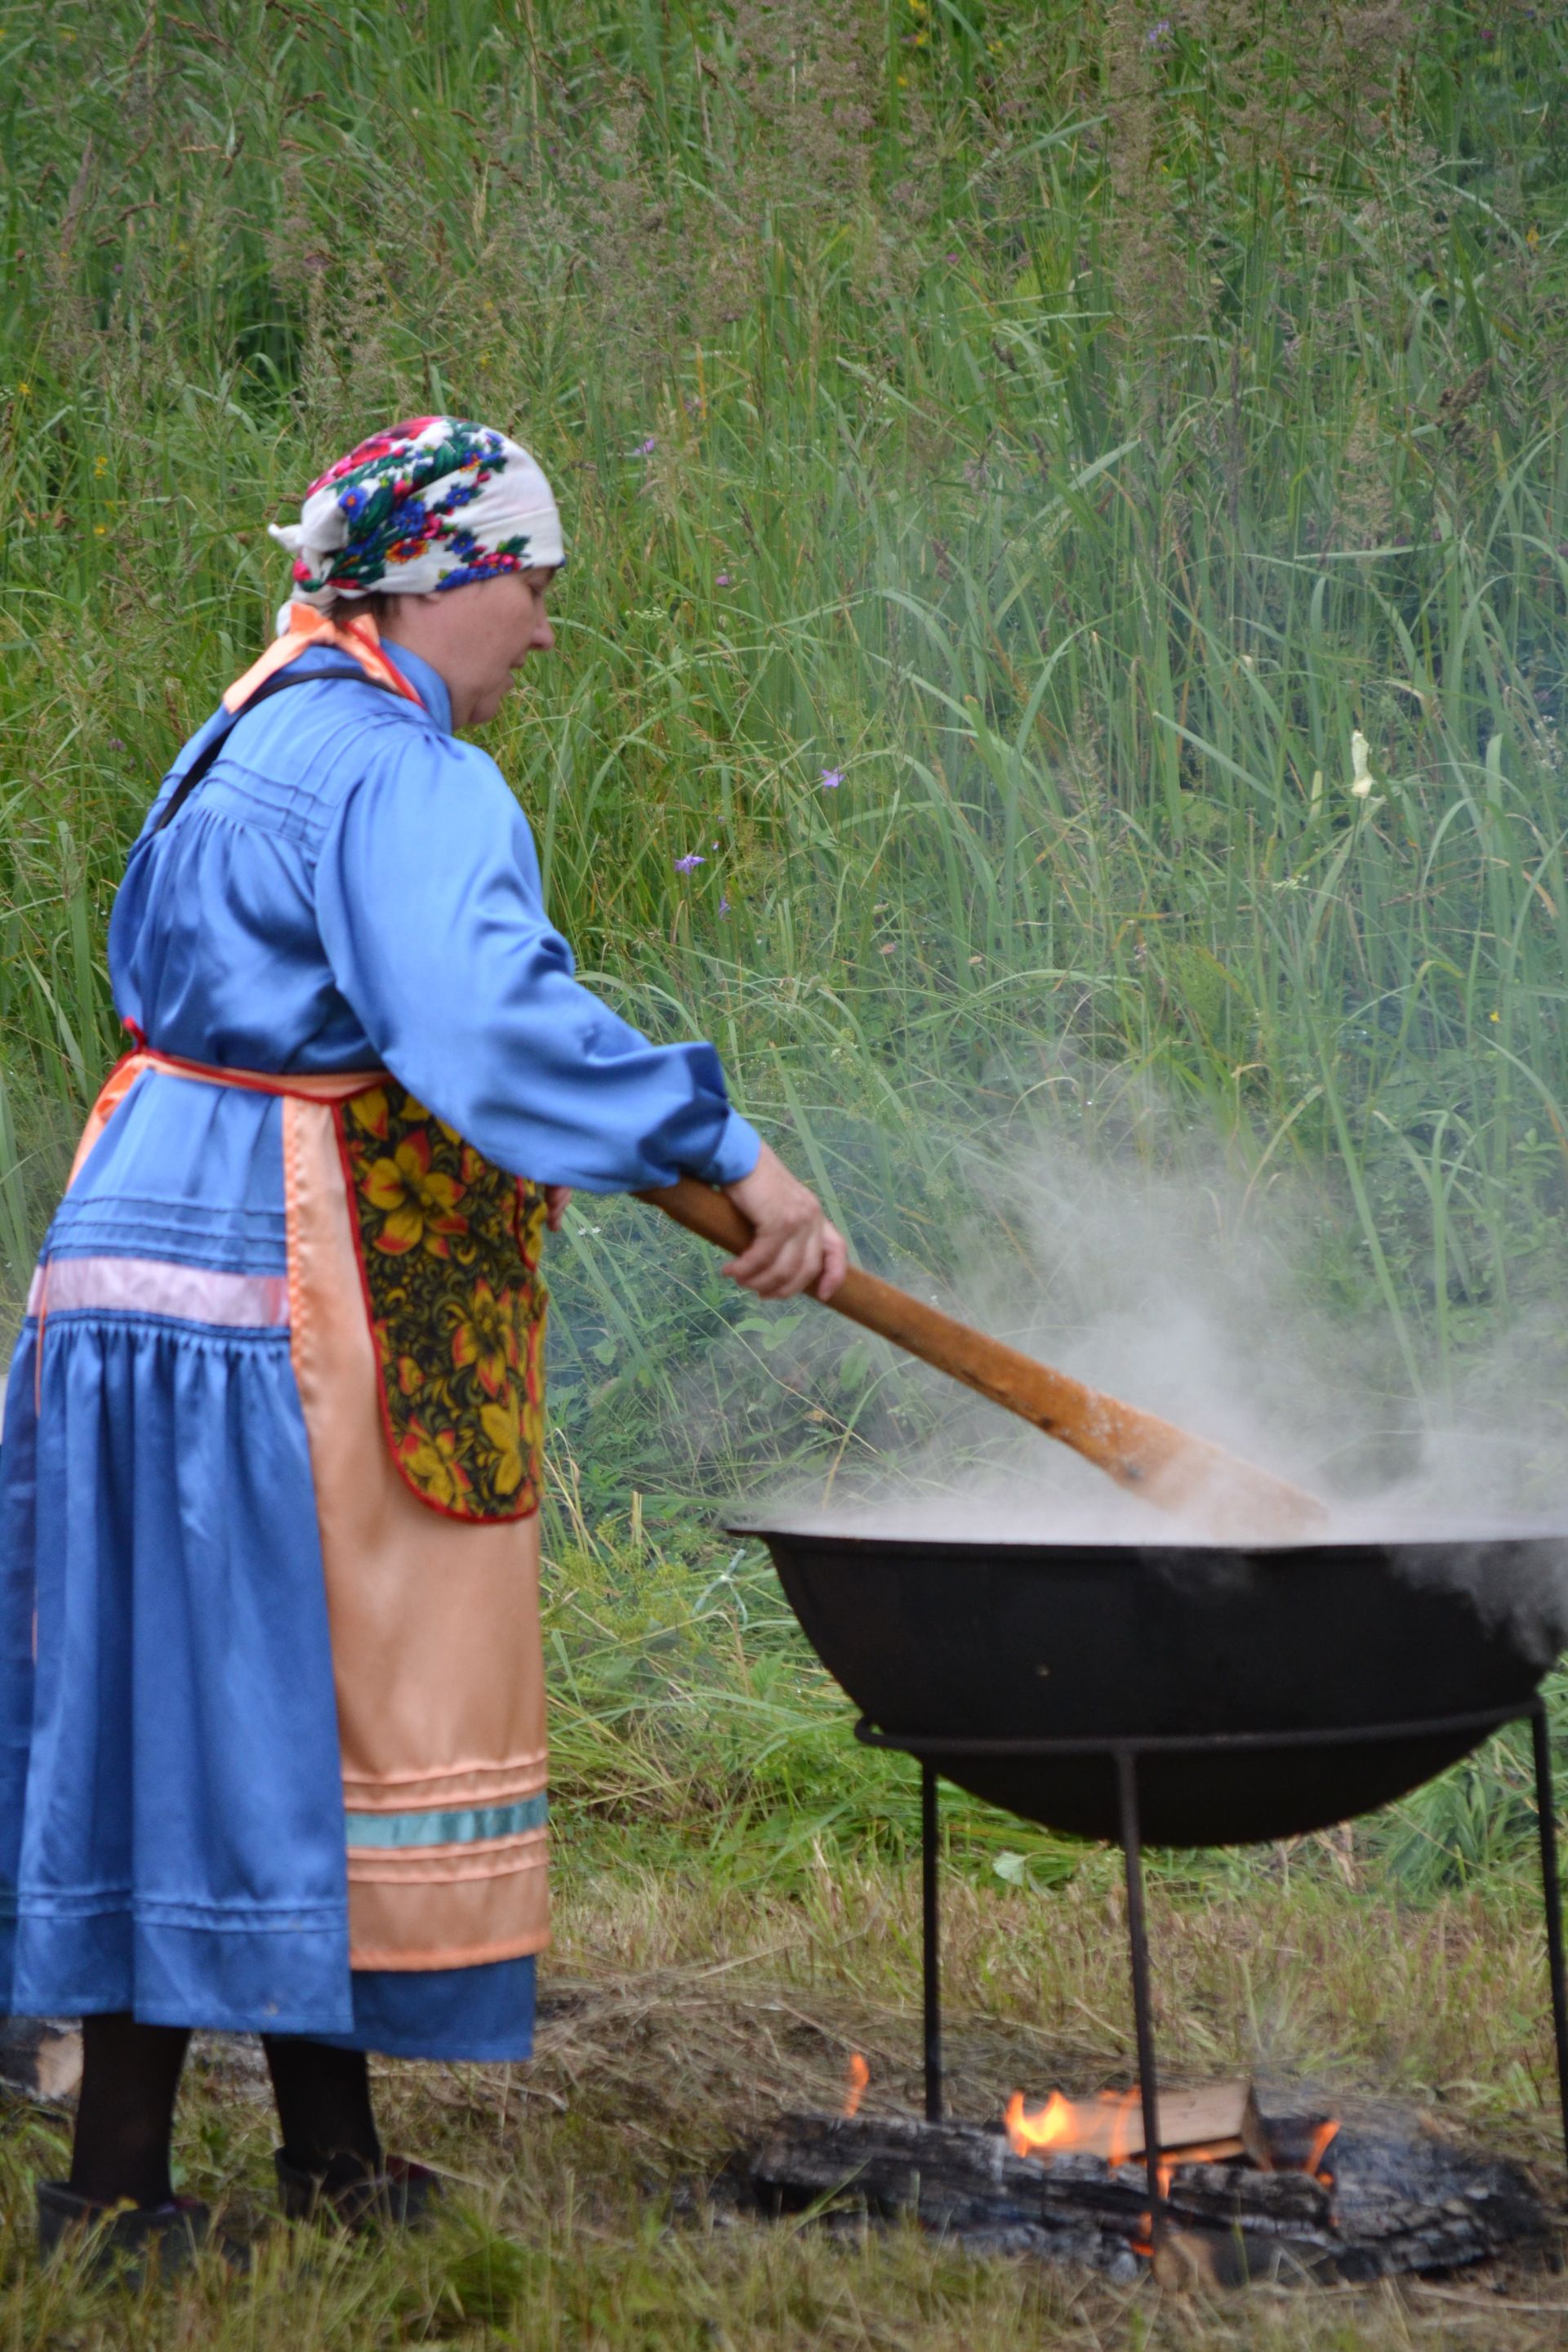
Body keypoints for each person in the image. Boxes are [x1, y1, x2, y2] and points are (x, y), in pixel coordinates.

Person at [0, 415, 846, 2267]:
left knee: (236, 1692)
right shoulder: (407, 773)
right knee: (236, 1706)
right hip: (270, 1274)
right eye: (535, 584)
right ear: (448, 577)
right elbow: (488, 1028)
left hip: (124, 1250)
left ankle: (328, 2153)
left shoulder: (260, 712)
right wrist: (728, 1152)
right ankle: (111, 2198)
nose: (546, 628)